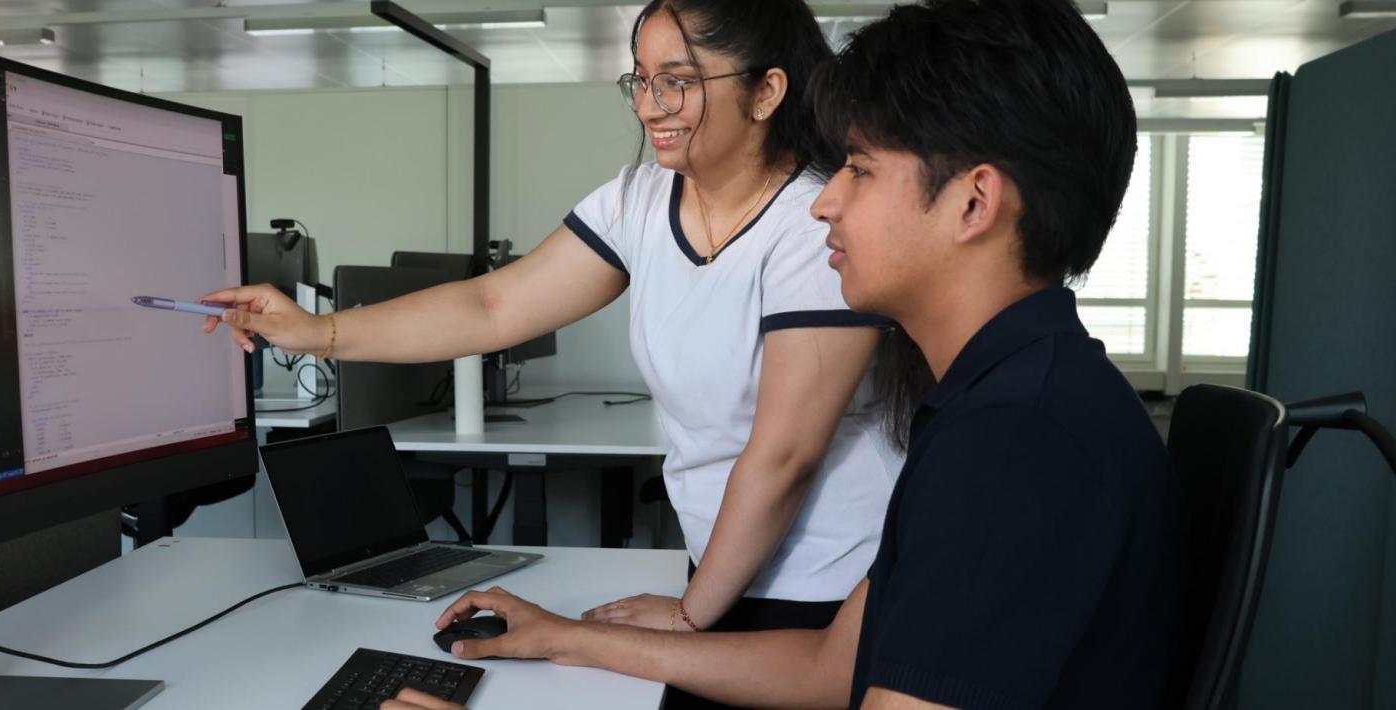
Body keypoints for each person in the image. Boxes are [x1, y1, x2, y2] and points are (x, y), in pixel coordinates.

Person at [383, 0, 1184, 708]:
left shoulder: (1016, 447)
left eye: (861, 171)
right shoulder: (996, 399)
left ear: (974, 201)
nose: (826, 200)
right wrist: (566, 638)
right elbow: (832, 669)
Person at [206, 4, 928, 702]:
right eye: (640, 79)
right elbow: (493, 305)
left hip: (819, 586)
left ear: (766, 90)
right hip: (719, 568)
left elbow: (783, 459)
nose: (651, 106)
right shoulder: (640, 201)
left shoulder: (813, 227)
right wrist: (316, 332)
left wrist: (689, 616)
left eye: (679, 80)